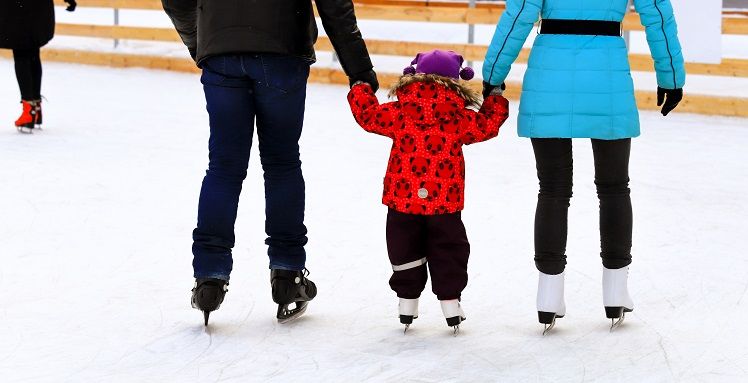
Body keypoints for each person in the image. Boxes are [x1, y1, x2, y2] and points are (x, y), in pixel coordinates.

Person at [162, 0, 378, 325]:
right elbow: (335, 5)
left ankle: (210, 276)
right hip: (282, 50)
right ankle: (288, 273)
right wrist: (359, 70)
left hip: (221, 51)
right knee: (282, 163)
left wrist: (204, 41)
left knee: (224, 167)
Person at [482, 0, 685, 334]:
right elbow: (658, 14)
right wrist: (671, 75)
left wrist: (493, 75)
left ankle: (548, 295)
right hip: (607, 79)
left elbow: (518, 15)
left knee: (552, 190)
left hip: (550, 79)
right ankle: (616, 290)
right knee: (615, 187)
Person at [348, 50, 509, 334]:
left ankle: (407, 301)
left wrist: (360, 87)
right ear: (456, 81)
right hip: (444, 201)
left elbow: (368, 115)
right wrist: (494, 96)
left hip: (402, 198)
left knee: (403, 247)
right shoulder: (458, 116)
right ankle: (450, 301)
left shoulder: (400, 111)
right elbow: (487, 125)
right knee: (449, 248)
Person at [0, 0, 77, 133]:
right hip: (38, 8)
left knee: (21, 53)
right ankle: (35, 108)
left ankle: (28, 112)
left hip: (18, 8)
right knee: (32, 52)